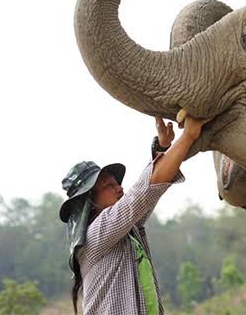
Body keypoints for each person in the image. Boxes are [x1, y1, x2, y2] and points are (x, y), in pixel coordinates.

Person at [58, 116, 208, 315]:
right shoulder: (96, 234)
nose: (119, 188)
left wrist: (162, 148)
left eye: (117, 183)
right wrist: (188, 135)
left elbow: (147, 193)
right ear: (90, 201)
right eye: (108, 186)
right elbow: (143, 192)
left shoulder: (126, 230)